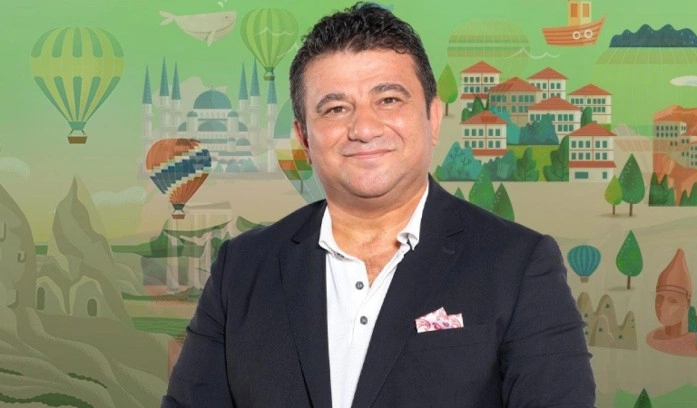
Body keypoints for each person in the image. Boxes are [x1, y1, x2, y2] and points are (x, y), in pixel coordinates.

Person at [161, 3, 596, 407]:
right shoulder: (242, 269)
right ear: (304, 137)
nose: (364, 128)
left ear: (433, 117)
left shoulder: (518, 265)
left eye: (388, 100)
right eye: (335, 108)